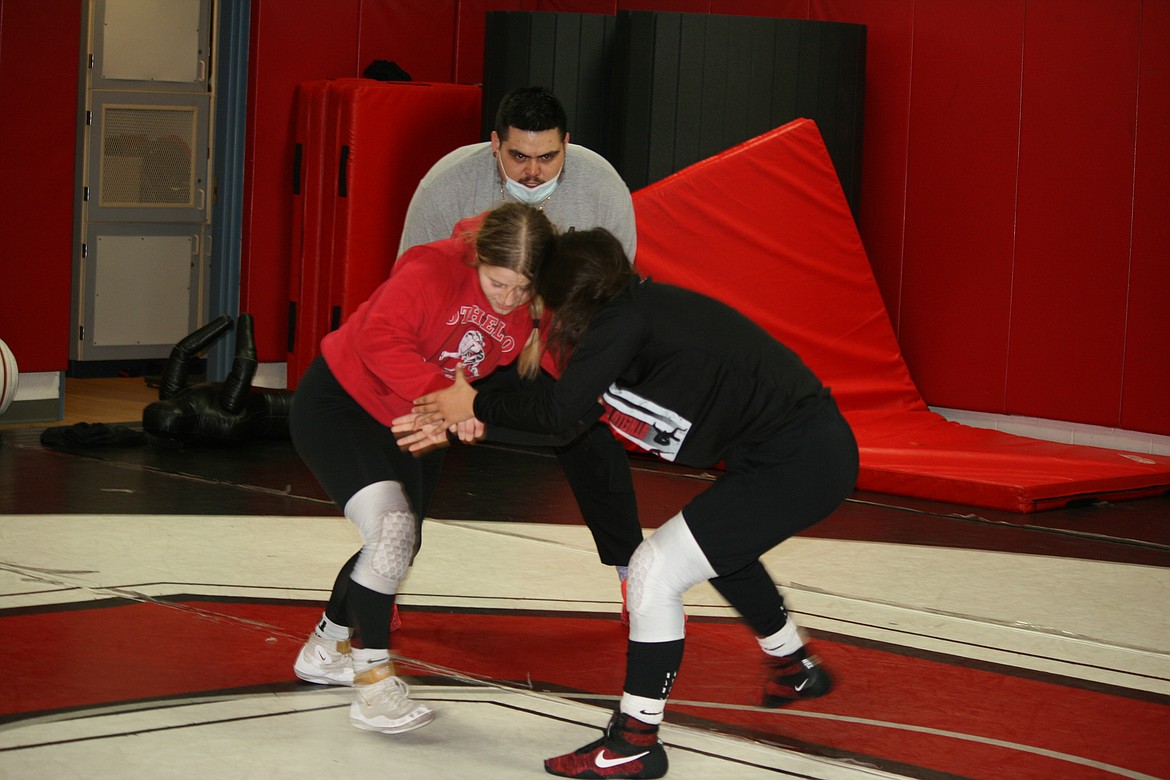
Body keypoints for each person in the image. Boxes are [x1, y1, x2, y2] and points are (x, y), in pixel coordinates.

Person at [398, 228, 859, 778]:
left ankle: (635, 741)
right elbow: (564, 425)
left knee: (652, 570)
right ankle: (795, 665)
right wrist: (466, 421)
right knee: (720, 549)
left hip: (799, 461)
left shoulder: (624, 325)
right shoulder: (630, 316)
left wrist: (470, 402)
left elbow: (558, 414)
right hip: (795, 456)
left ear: (567, 301)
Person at [289, 202, 553, 734]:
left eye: (523, 289)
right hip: (344, 402)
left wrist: (464, 412)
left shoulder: (532, 304)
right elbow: (377, 339)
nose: (509, 300)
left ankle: (325, 647)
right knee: (391, 530)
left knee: (400, 543)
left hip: (417, 416)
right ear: (479, 256)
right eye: (499, 284)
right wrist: (447, 401)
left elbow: (522, 376)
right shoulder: (431, 269)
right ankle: (373, 684)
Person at [398, 85, 644, 616]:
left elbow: (612, 302)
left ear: (567, 146)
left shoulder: (602, 188)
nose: (532, 171)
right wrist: (437, 388)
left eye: (547, 157)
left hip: (546, 344)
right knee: (415, 432)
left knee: (588, 426)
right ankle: (382, 576)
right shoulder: (446, 187)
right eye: (519, 157)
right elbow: (410, 294)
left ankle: (633, 576)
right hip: (459, 344)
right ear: (494, 145)